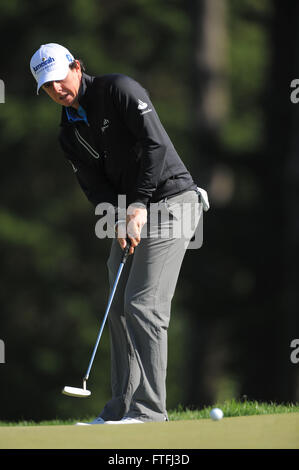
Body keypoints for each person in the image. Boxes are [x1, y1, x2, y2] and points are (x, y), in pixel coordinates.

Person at [30, 43, 209, 424]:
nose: (57, 90)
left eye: (60, 80)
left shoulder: (119, 90)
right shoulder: (68, 132)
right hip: (130, 212)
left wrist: (139, 205)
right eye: (48, 87)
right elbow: (94, 186)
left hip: (173, 202)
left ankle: (149, 411)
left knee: (143, 305)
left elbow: (155, 145)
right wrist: (115, 218)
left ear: (76, 67)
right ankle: (119, 409)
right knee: (119, 306)